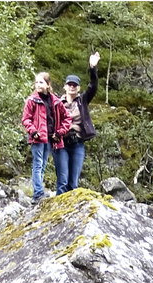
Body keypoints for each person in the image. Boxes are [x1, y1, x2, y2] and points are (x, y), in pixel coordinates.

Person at [56, 53, 102, 194]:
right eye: (69, 84)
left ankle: (72, 214)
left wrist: (93, 67)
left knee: (73, 183)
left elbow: (93, 86)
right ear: (65, 86)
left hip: (77, 143)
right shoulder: (57, 102)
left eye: (75, 85)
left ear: (78, 87)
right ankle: (58, 211)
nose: (72, 87)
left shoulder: (82, 100)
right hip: (61, 143)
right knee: (62, 181)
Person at [21, 72, 71, 200]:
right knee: (37, 164)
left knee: (42, 165)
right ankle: (38, 193)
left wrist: (60, 132)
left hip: (50, 138)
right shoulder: (32, 100)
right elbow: (26, 119)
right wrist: (32, 131)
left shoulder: (55, 100)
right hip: (37, 138)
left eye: (41, 82)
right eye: (36, 82)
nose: (38, 85)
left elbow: (67, 118)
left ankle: (39, 191)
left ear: (48, 85)